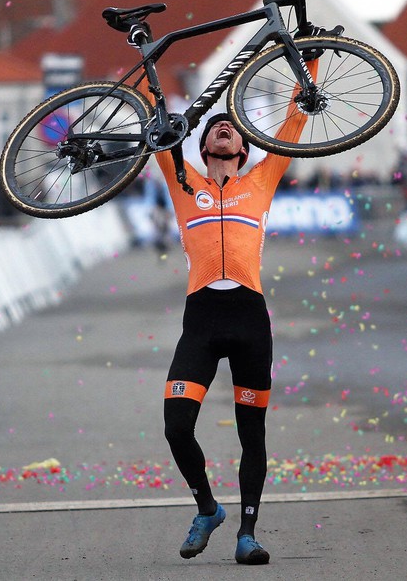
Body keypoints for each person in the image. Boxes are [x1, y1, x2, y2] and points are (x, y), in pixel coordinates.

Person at [155, 84, 315, 565]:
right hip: (200, 322)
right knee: (176, 426)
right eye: (214, 128)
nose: (223, 128)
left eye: (232, 129)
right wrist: (144, 54)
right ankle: (208, 508)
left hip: (250, 322)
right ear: (203, 147)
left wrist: (308, 59)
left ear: (244, 149)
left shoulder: (261, 181)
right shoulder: (183, 181)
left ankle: (248, 533)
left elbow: (295, 119)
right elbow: (153, 118)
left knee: (253, 434)